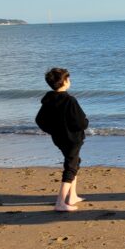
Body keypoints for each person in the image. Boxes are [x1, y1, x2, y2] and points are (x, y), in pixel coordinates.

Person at [35, 68, 89, 212]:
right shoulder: (69, 100)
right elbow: (81, 123)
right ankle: (60, 202)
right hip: (73, 138)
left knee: (74, 162)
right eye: (68, 79)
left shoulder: (49, 100)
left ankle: (72, 196)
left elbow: (40, 120)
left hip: (59, 138)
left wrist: (52, 130)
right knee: (71, 166)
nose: (69, 81)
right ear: (64, 82)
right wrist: (85, 122)